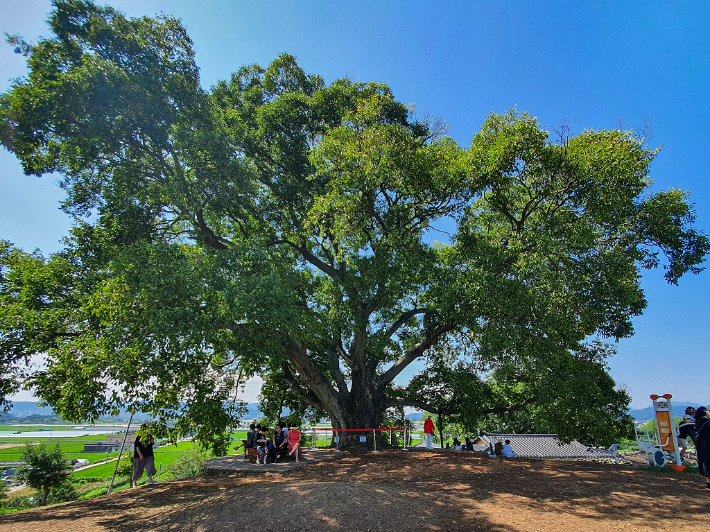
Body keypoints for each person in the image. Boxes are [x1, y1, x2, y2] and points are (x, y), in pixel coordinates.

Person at [693, 406, 710, 488]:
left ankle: (708, 482)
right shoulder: (707, 422)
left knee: (704, 462)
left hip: (701, 444)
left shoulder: (697, 421)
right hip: (708, 443)